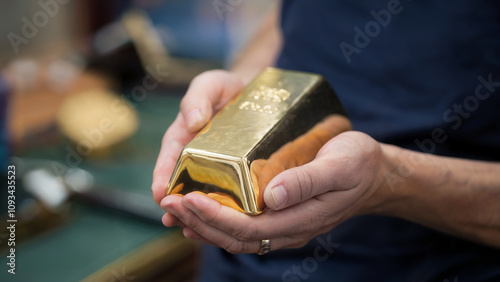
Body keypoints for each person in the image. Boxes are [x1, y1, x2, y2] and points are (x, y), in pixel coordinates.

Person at [152, 1, 500, 281]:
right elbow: (294, 16)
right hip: (231, 265)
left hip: (431, 266)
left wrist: (388, 181)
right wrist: (249, 87)